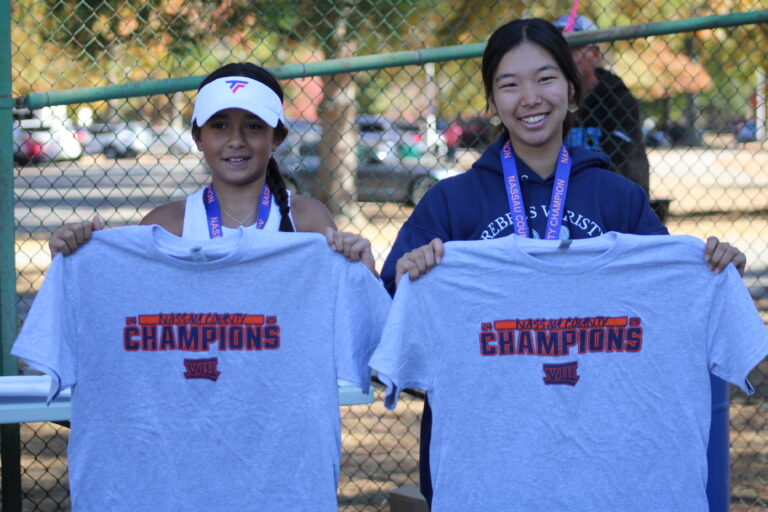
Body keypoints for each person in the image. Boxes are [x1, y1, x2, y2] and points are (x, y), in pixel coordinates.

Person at [379, 18, 746, 506]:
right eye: (509, 84)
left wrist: (712, 273)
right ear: (491, 103)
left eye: (546, 78)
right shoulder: (451, 204)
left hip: (608, 467)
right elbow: (394, 330)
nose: (529, 97)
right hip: (492, 471)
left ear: (573, 93)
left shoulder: (619, 199)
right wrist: (409, 279)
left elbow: (669, 306)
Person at [48, 62, 376, 273]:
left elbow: (353, 315)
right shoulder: (165, 225)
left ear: (277, 137)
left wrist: (363, 269)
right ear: (197, 138)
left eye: (253, 126)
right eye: (219, 126)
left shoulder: (307, 220)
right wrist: (75, 259)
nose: (236, 140)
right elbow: (119, 312)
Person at [552, 14, 651, 194]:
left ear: (595, 54)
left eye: (573, 49)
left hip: (604, 198)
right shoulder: (544, 102)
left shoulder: (618, 101)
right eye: (555, 50)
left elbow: (629, 167)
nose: (562, 57)